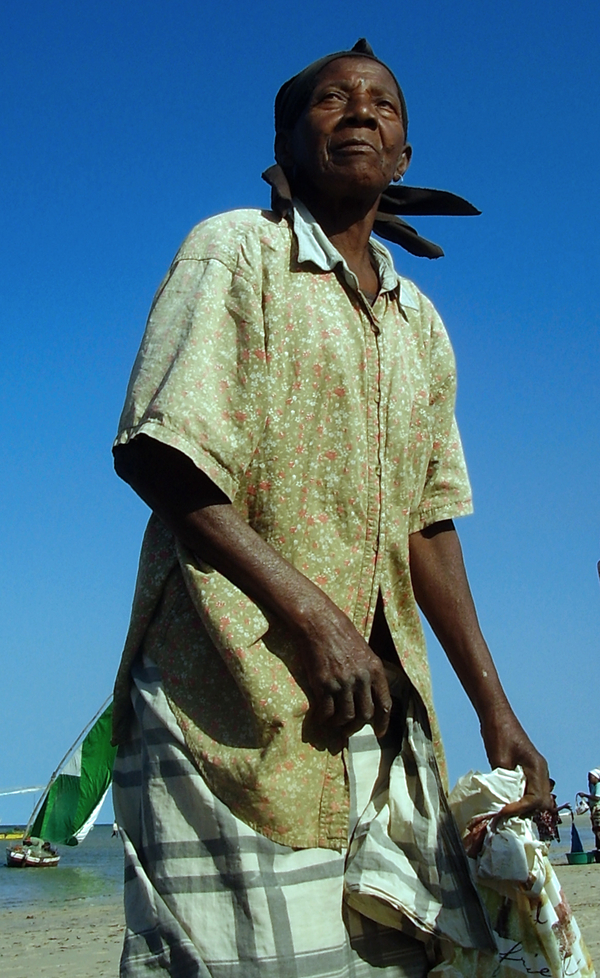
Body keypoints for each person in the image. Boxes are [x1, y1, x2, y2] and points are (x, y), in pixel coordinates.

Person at [111, 39, 551, 977]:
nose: (360, 111)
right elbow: (160, 451)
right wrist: (312, 615)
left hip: (377, 717)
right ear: (284, 138)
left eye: (383, 105)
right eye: (331, 100)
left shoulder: (418, 321)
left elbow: (430, 526)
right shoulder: (235, 250)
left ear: (403, 157)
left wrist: (496, 714)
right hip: (225, 701)